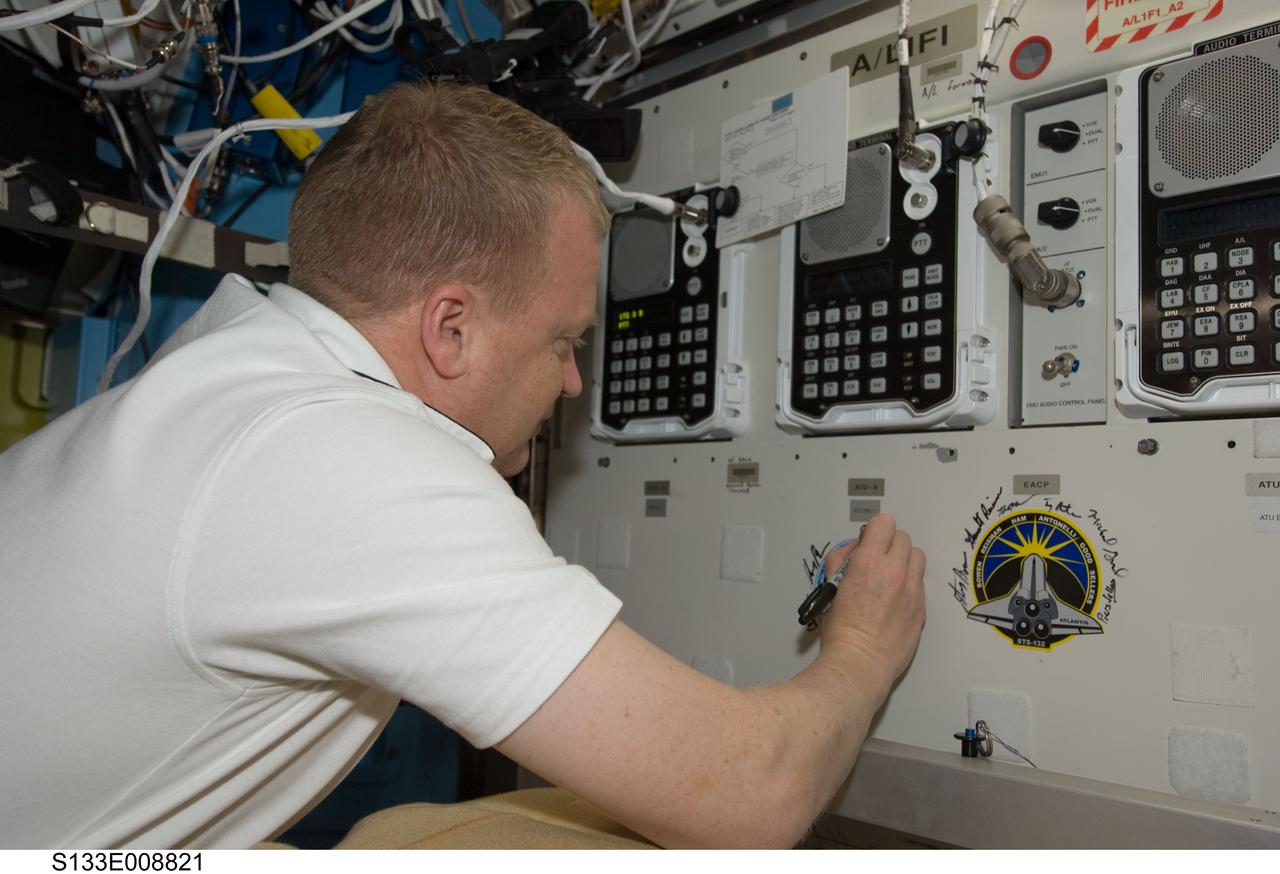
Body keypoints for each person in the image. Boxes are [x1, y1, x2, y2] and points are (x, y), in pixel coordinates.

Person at [0, 81, 925, 849]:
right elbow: (752, 794)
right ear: (451, 329)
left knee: (404, 837)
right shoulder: (348, 460)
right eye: (565, 341)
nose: (571, 382)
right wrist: (863, 650)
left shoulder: (234, 368)